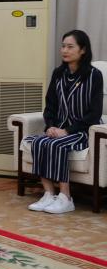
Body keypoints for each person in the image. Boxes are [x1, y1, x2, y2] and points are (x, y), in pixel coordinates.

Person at [25, 30, 104, 214]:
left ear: (82, 50)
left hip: (82, 130)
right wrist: (50, 126)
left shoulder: (94, 75)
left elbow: (95, 113)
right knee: (39, 142)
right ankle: (48, 194)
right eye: (63, 46)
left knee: (57, 145)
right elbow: (50, 105)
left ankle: (66, 198)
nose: (65, 50)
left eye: (70, 47)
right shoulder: (59, 73)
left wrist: (67, 131)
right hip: (59, 127)